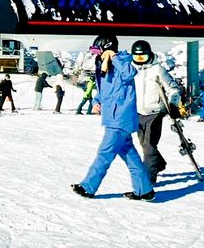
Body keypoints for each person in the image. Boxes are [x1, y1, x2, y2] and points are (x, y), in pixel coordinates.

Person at [72, 34, 154, 201]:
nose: (96, 54)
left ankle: (88, 187)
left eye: (97, 50)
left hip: (120, 118)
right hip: (113, 117)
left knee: (105, 153)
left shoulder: (123, 61)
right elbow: (105, 90)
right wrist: (96, 101)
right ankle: (144, 190)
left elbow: (130, 73)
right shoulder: (104, 65)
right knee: (130, 156)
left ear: (107, 47)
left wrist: (113, 56)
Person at [131, 40, 182, 185]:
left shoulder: (157, 69)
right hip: (138, 112)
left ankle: (148, 178)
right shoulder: (132, 70)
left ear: (149, 55)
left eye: (143, 57)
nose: (140, 61)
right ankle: (158, 163)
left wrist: (172, 104)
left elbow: (174, 88)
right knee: (144, 143)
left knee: (149, 144)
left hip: (155, 112)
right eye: (137, 57)